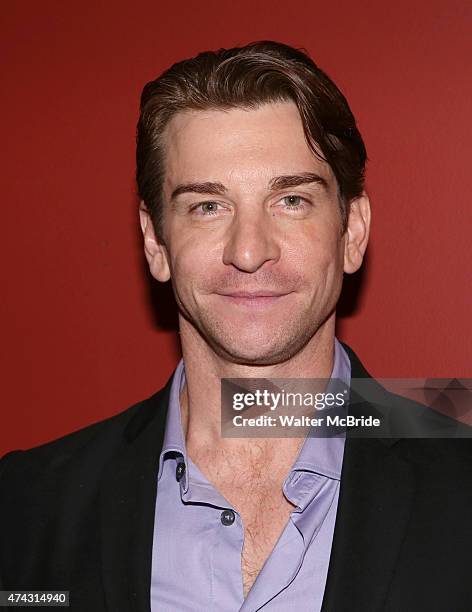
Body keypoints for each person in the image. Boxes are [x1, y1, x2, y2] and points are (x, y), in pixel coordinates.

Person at [0, 41, 471, 612]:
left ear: (352, 233)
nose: (248, 252)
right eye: (207, 206)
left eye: (291, 200)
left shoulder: (458, 471)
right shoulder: (25, 504)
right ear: (155, 241)